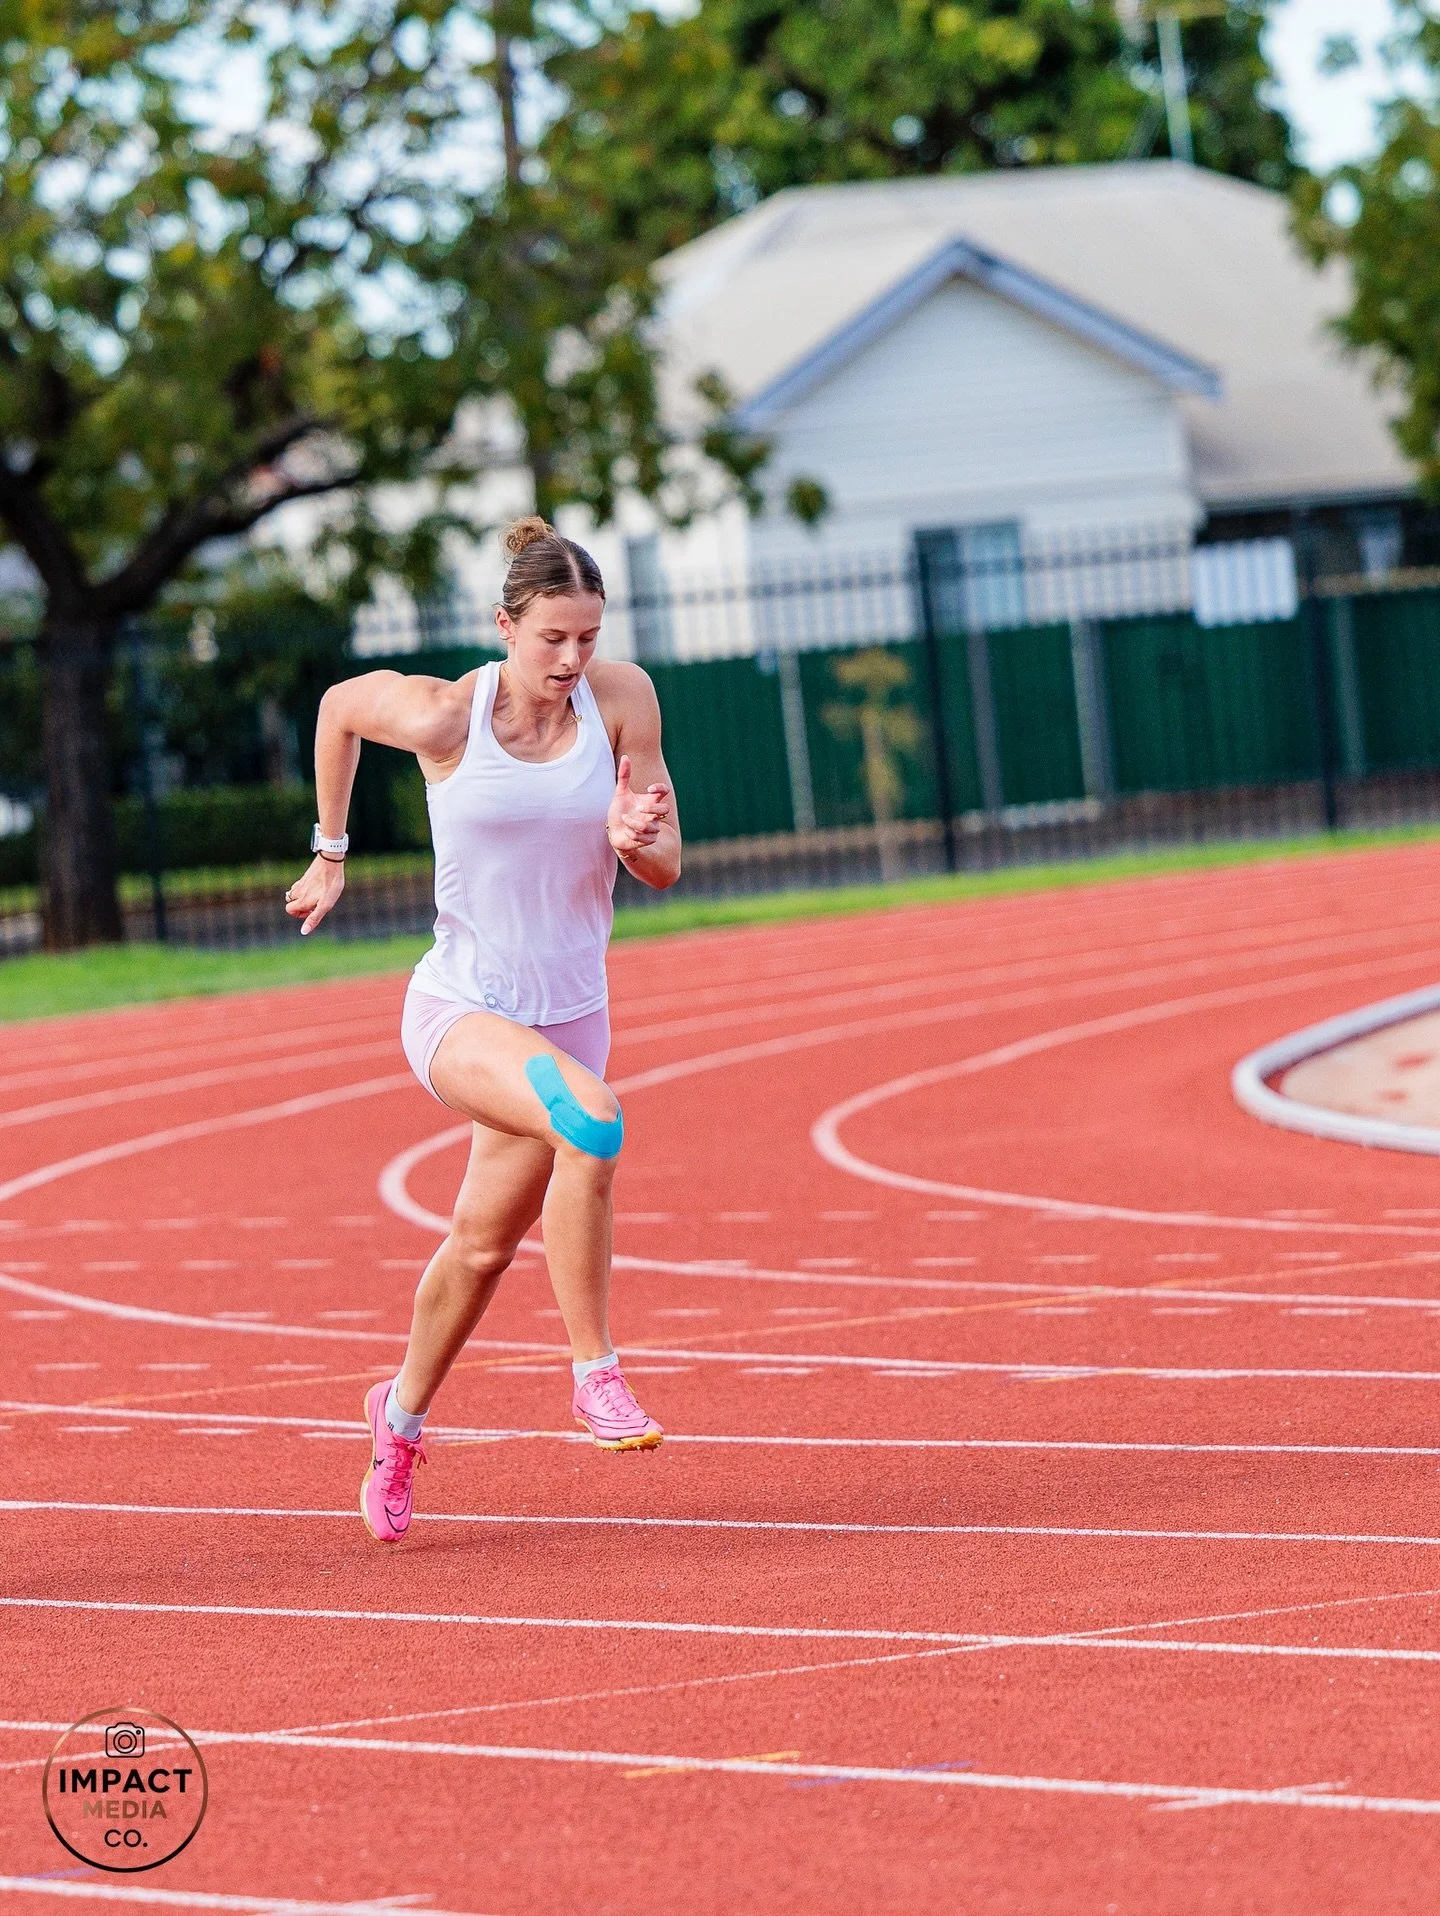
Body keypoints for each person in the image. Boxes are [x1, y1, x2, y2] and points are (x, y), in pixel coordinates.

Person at [283, 517, 680, 1543]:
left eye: (588, 637)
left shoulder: (624, 700)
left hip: (569, 1015)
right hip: (462, 1009)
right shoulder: (447, 715)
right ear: (506, 624)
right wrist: (331, 849)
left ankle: (398, 1419)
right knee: (592, 1122)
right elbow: (335, 708)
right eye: (552, 638)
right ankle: (596, 1374)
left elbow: (666, 860)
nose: (572, 660)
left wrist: (638, 839)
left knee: (480, 1244)